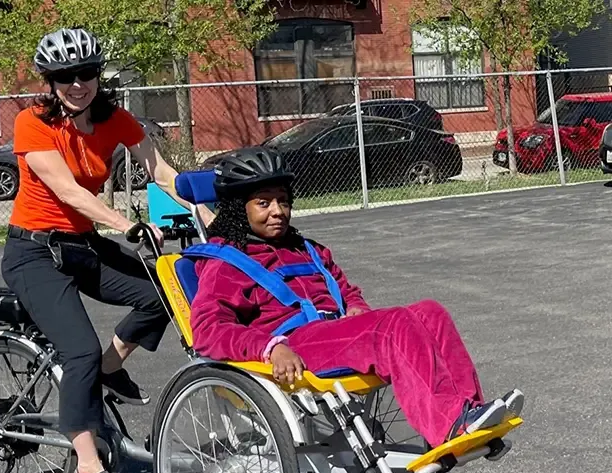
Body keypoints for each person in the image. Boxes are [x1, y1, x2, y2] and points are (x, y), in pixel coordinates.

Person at [0, 28, 213, 473]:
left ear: (99, 75)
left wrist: (209, 213)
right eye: (65, 76)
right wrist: (126, 224)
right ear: (51, 81)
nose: (78, 84)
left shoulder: (115, 119)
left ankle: (109, 368)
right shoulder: (32, 123)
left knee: (165, 292)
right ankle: (88, 469)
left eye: (86, 73)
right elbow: (67, 191)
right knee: (78, 349)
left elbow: (162, 171)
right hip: (33, 251)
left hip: (82, 245)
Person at [188, 146, 524, 449]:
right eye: (263, 203)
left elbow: (344, 288)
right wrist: (271, 347)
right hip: (294, 345)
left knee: (430, 311)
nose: (277, 211)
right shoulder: (226, 262)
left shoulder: (306, 248)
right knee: (392, 326)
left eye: (283, 201)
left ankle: (470, 410)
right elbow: (206, 330)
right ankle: (451, 424)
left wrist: (355, 306)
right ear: (239, 208)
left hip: (334, 331)